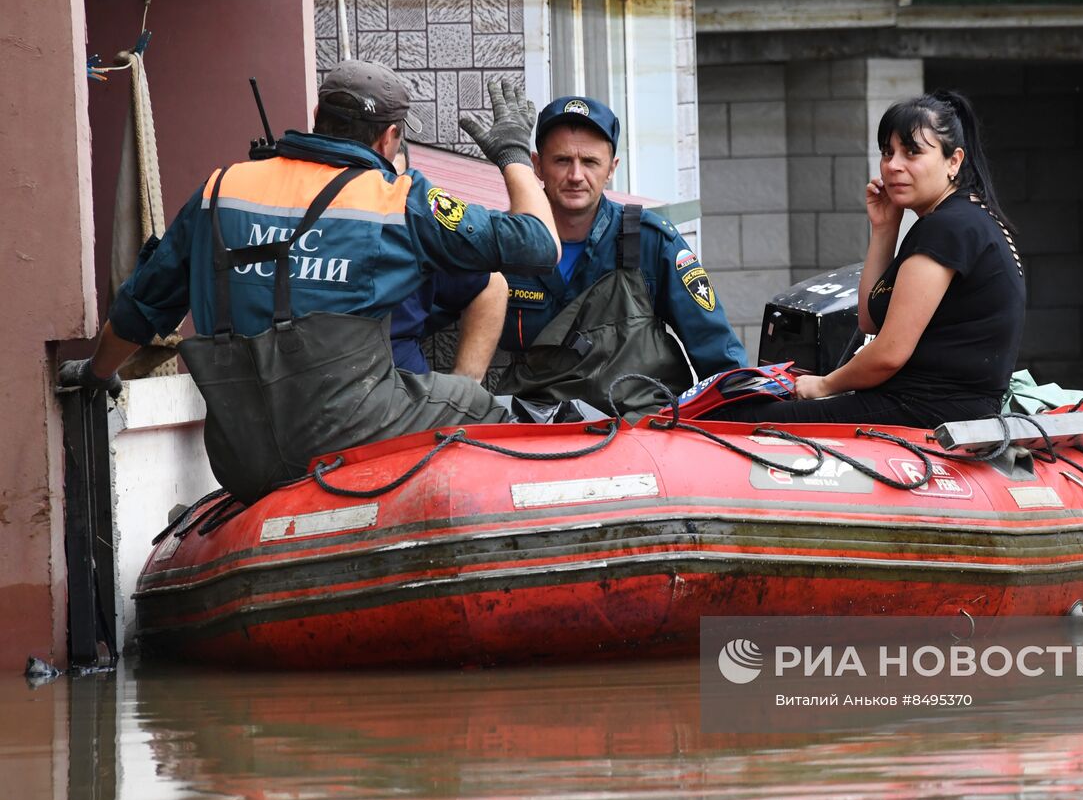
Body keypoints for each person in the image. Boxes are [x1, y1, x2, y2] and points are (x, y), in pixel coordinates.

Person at [57, 61, 561, 503]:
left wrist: (97, 374)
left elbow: (139, 310)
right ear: (390, 138)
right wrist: (513, 154)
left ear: (317, 116)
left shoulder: (221, 189)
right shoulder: (397, 201)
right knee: (474, 403)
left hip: (241, 459)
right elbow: (540, 245)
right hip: (353, 437)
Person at [399, 95, 747, 417]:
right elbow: (408, 320)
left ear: (612, 168)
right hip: (538, 433)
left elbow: (718, 354)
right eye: (562, 160)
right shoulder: (502, 244)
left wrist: (743, 422)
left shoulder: (651, 241)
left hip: (641, 429)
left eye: (590, 162)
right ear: (537, 165)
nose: (576, 175)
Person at [715, 90, 1025, 429]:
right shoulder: (964, 217)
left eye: (912, 152)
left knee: (734, 417)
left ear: (954, 161)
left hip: (928, 410)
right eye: (887, 152)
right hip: (926, 404)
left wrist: (824, 385)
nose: (893, 166)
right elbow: (870, 321)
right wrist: (884, 229)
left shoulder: (949, 227)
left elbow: (889, 354)